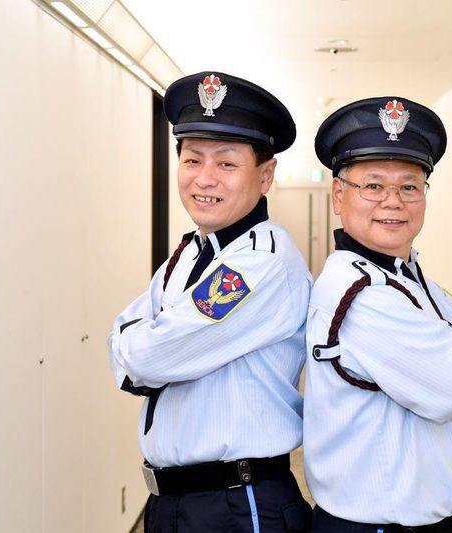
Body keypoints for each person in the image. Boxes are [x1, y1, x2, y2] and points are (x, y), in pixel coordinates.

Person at [303, 97, 452, 533]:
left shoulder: (408, 275)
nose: (393, 202)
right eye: (373, 185)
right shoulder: (362, 293)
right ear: (338, 196)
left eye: (409, 187)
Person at [108, 71, 313, 533]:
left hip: (236, 506)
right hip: (174, 502)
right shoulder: (190, 252)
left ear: (265, 175)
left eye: (226, 163)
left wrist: (146, 343)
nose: (204, 178)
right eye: (192, 159)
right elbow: (122, 343)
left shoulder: (261, 263)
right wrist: (144, 346)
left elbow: (147, 356)